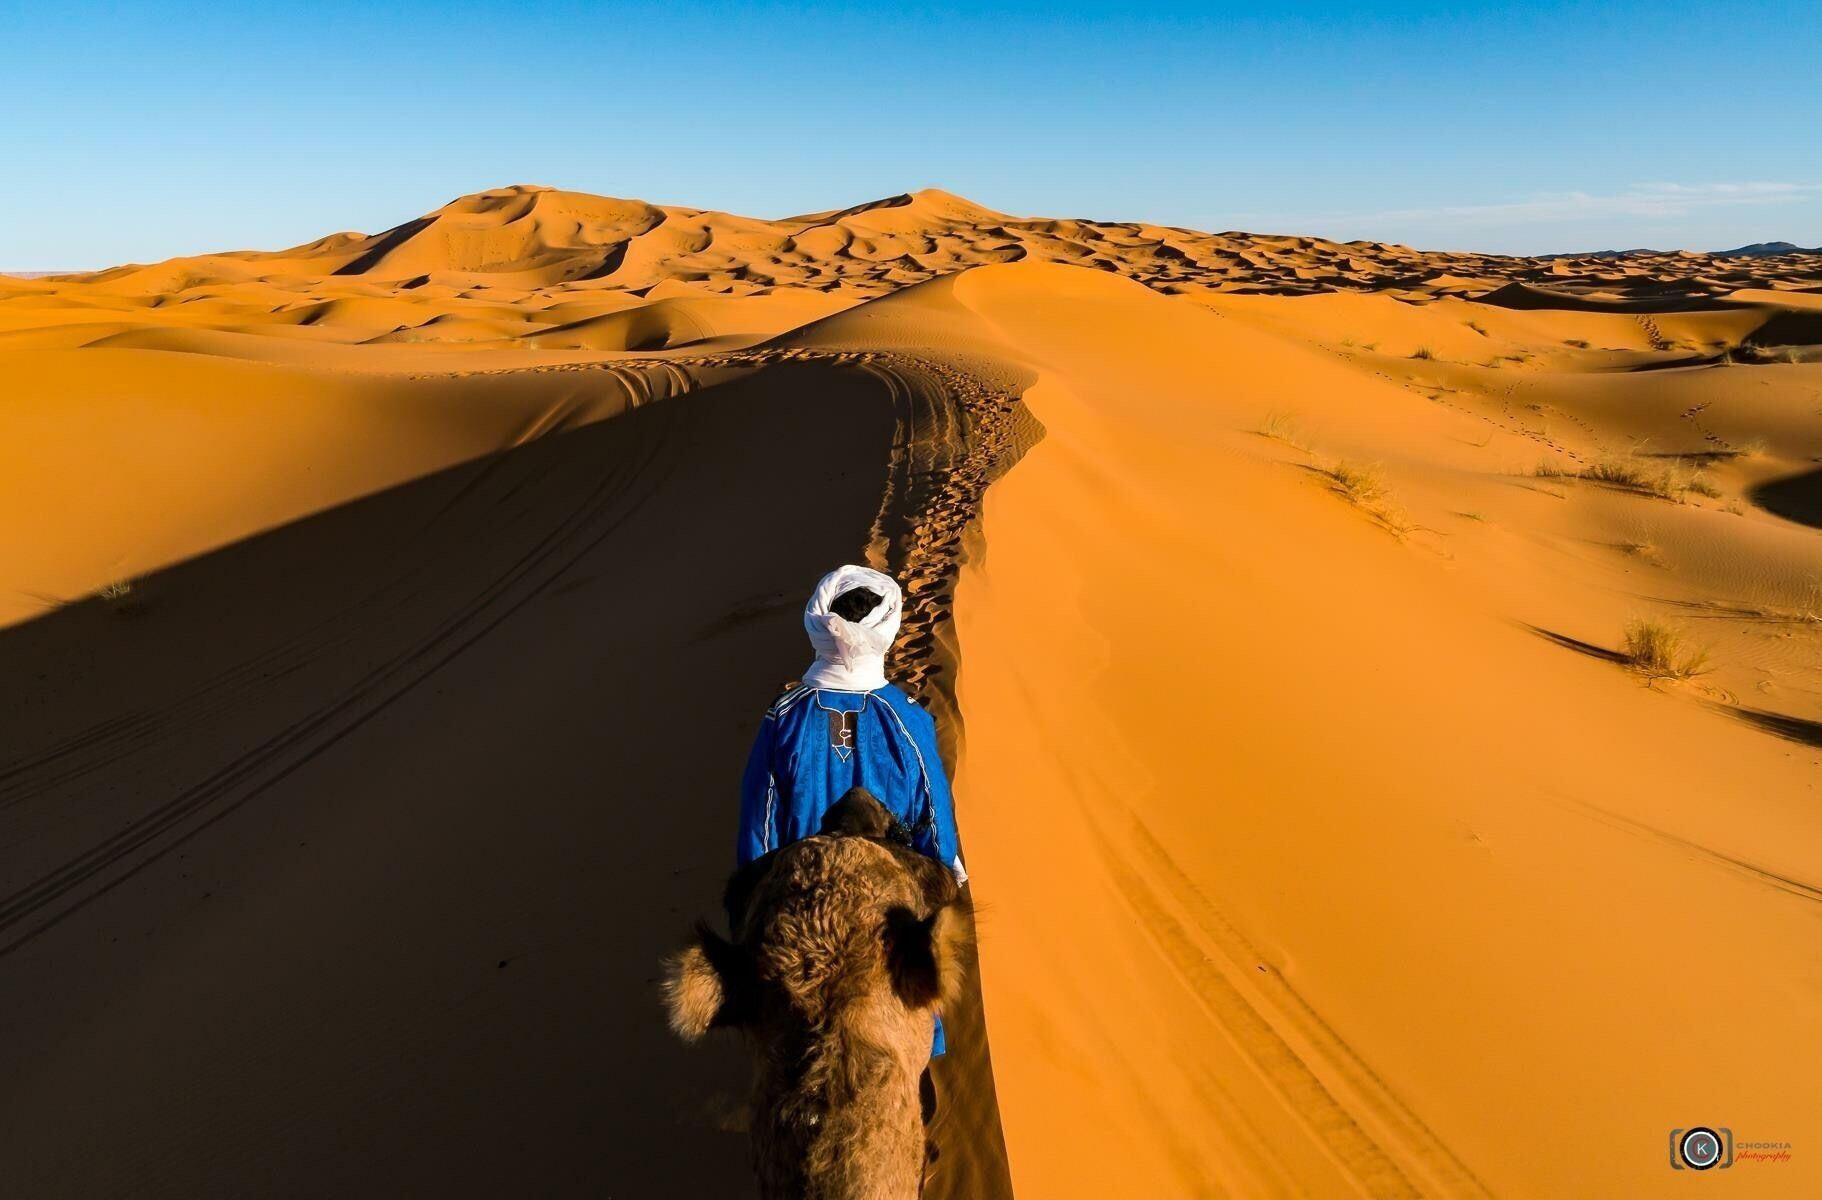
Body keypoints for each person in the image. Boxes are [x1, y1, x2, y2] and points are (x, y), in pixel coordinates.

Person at [736, 564, 966, 1059]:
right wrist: (943, 882)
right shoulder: (909, 720)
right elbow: (934, 825)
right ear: (886, 627)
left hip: (802, 919)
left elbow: (760, 826)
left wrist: (756, 910)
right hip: (888, 918)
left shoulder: (784, 716)